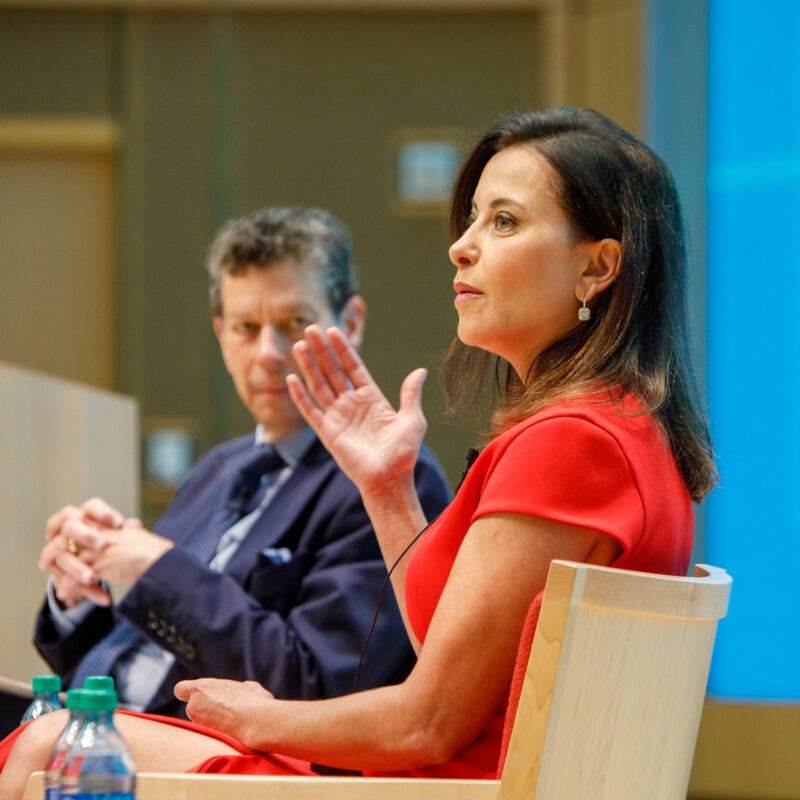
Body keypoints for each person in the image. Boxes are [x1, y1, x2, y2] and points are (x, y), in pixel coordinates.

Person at [0, 107, 717, 796]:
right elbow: (451, 666)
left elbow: (428, 722)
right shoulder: (623, 427)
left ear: (597, 268)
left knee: (50, 745)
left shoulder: (572, 441)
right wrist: (388, 490)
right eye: (472, 217)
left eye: (504, 221)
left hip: (437, 794)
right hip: (449, 785)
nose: (461, 245)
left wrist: (258, 717)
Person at [24, 207, 451, 718]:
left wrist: (156, 567)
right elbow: (143, 661)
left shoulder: (393, 481)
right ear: (221, 335)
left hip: (214, 753)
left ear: (352, 323)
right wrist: (78, 594)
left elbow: (316, 687)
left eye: (296, 322)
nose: (268, 352)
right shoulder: (218, 469)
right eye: (246, 327)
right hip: (107, 726)